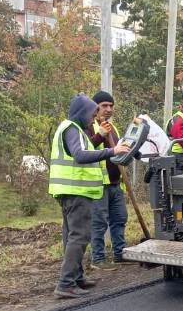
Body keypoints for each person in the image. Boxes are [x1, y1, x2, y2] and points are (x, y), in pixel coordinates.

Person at [49, 94, 130, 298]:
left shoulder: (72, 129)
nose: (93, 118)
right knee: (79, 236)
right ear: (83, 112)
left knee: (71, 235)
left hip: (71, 191)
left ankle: (76, 277)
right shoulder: (72, 129)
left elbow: (84, 150)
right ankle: (66, 283)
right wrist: (112, 151)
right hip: (75, 191)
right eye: (92, 113)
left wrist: (100, 138)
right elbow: (80, 155)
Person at [87, 90, 129, 267]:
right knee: (99, 222)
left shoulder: (113, 128)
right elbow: (86, 151)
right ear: (95, 107)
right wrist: (100, 135)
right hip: (99, 185)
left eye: (111, 106)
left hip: (115, 184)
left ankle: (120, 254)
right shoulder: (89, 127)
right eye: (104, 105)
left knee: (120, 219)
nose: (109, 109)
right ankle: (98, 258)